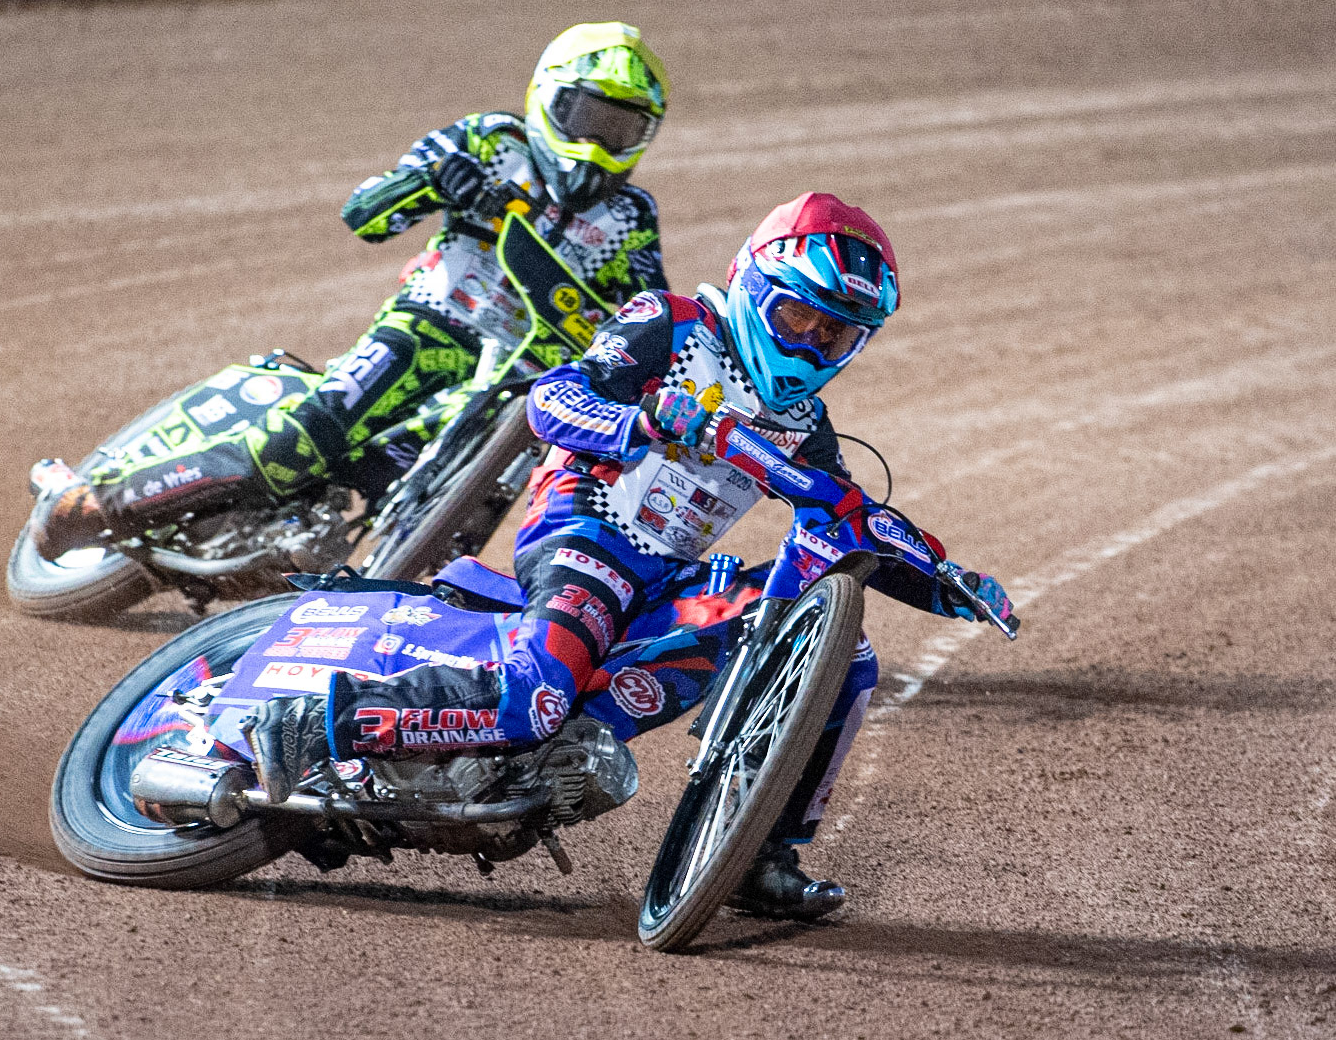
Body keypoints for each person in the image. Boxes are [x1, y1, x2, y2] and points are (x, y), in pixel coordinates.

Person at [249, 192, 1017, 921]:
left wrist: (950, 583)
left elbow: (849, 518)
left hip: (668, 573)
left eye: (835, 334)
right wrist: (643, 420)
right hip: (585, 527)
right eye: (797, 315)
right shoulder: (675, 323)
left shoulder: (804, 421)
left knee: (842, 654)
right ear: (753, 283)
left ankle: (760, 854)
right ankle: (313, 726)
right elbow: (549, 399)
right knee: (536, 698)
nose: (813, 342)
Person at [31, 22, 670, 561]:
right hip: (434, 323)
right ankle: (91, 504)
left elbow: (649, 306)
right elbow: (364, 214)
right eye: (588, 115)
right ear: (548, 98)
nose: (598, 141)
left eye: (620, 128)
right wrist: (436, 182)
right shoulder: (490, 140)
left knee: (460, 543)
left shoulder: (630, 217)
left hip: (526, 377)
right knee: (293, 447)